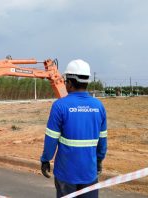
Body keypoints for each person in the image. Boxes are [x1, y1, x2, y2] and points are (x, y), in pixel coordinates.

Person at [40, 59, 107, 198]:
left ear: (69, 82)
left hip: (66, 174)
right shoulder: (99, 106)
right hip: (89, 173)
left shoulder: (60, 106)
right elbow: (102, 141)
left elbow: (51, 139)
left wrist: (46, 159)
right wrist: (99, 160)